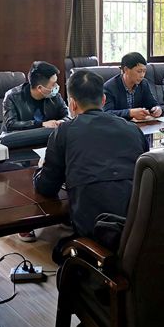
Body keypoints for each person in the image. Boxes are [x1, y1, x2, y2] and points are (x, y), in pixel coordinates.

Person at [34, 70, 146, 260]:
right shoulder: (132, 129)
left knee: (50, 239)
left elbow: (46, 187)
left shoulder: (64, 132)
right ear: (103, 100)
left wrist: (41, 168)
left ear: (72, 104)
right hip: (135, 228)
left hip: (96, 231)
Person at [2, 60, 69, 132]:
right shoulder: (13, 97)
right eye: (53, 84)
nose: (56, 86)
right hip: (19, 138)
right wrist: (41, 124)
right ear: (39, 88)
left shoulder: (54, 96)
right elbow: (11, 124)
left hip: (46, 137)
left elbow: (68, 116)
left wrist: (61, 122)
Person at [103, 52, 162, 121]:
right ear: (126, 70)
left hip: (140, 125)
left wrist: (157, 109)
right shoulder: (109, 87)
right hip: (118, 125)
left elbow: (152, 104)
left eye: (144, 71)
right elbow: (107, 113)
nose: (142, 75)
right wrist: (130, 113)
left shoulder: (143, 83)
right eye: (139, 71)